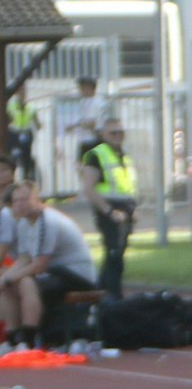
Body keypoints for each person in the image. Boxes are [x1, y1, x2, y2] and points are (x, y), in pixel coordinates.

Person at [0, 181, 96, 351]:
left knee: (26, 282)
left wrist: (9, 278)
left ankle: (28, 340)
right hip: (55, 272)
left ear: (37, 199)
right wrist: (5, 279)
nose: (20, 205)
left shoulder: (48, 221)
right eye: (16, 201)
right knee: (7, 285)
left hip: (76, 273)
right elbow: (24, 258)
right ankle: (12, 339)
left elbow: (39, 266)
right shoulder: (24, 223)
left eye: (25, 199)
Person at [78, 118, 138, 300]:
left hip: (125, 209)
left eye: (121, 132)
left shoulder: (123, 156)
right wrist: (109, 212)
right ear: (103, 135)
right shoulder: (96, 155)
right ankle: (113, 297)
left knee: (118, 255)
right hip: (110, 210)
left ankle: (102, 295)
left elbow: (127, 186)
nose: (118, 136)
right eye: (113, 132)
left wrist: (134, 209)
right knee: (114, 255)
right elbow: (88, 188)